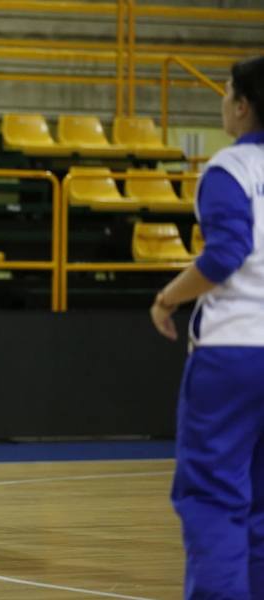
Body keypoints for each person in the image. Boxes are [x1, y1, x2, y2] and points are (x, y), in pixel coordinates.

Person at [149, 56, 264, 599]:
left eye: (225, 93)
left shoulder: (230, 170)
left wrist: (168, 299)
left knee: (214, 499)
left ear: (242, 105)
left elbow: (226, 254)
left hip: (235, 352)